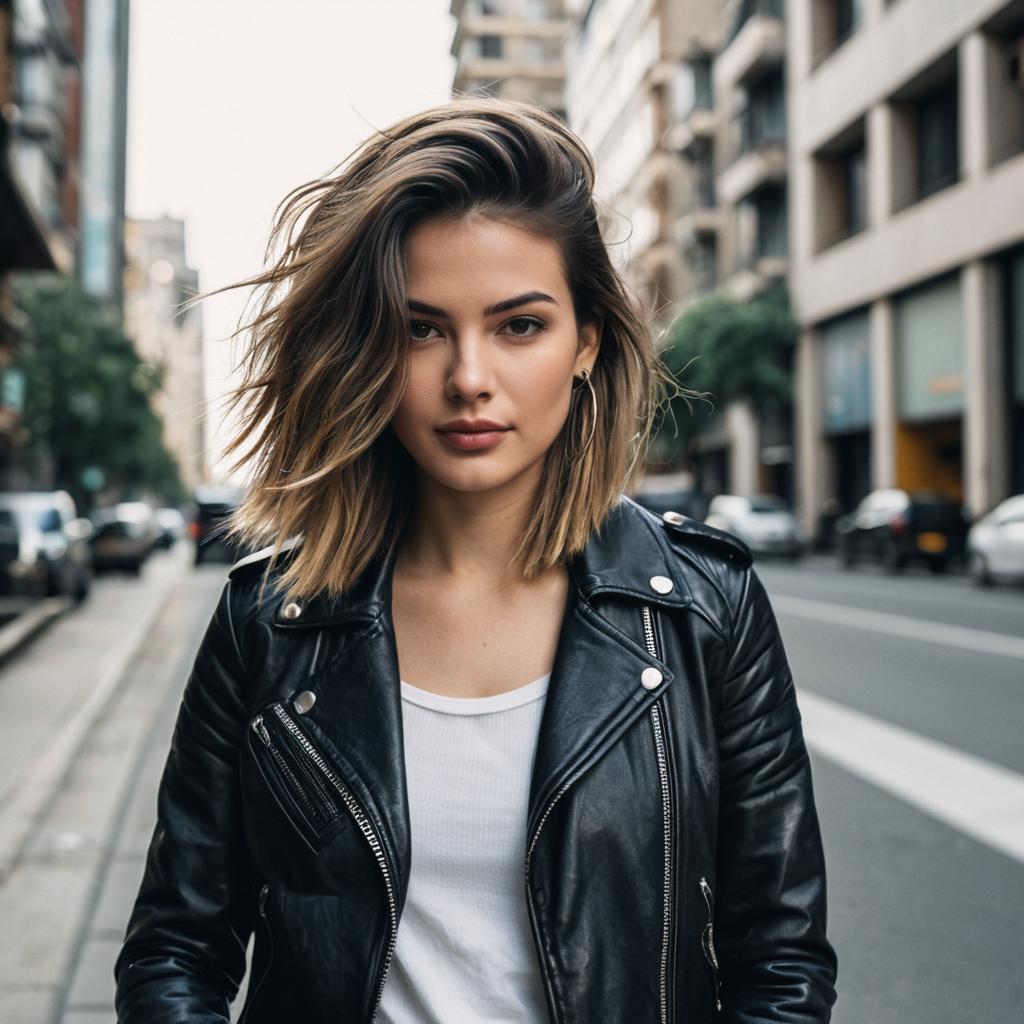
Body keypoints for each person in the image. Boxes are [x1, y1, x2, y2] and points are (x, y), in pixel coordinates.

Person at [113, 97, 838, 1024]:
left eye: (519, 325)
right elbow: (178, 947)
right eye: (420, 328)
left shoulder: (706, 608)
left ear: (587, 344)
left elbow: (779, 963)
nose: (468, 376)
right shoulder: (270, 619)